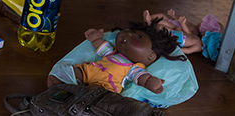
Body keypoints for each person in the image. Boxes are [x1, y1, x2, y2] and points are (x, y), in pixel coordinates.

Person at [47, 20, 187, 94]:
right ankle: (66, 86)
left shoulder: (134, 67)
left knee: (96, 92)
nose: (129, 34)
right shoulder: (112, 52)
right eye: (131, 31)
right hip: (86, 72)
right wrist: (96, 37)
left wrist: (151, 82)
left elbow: (142, 78)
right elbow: (100, 45)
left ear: (150, 55)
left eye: (138, 36)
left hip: (105, 86)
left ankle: (78, 93)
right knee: (64, 73)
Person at [143, 10, 223, 59]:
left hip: (177, 39)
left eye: (206, 38)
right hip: (179, 33)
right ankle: (150, 21)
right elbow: (187, 32)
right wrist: (183, 24)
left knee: (161, 29)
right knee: (162, 26)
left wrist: (175, 50)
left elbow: (188, 50)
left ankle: (149, 23)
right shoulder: (197, 38)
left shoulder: (198, 47)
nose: (204, 36)